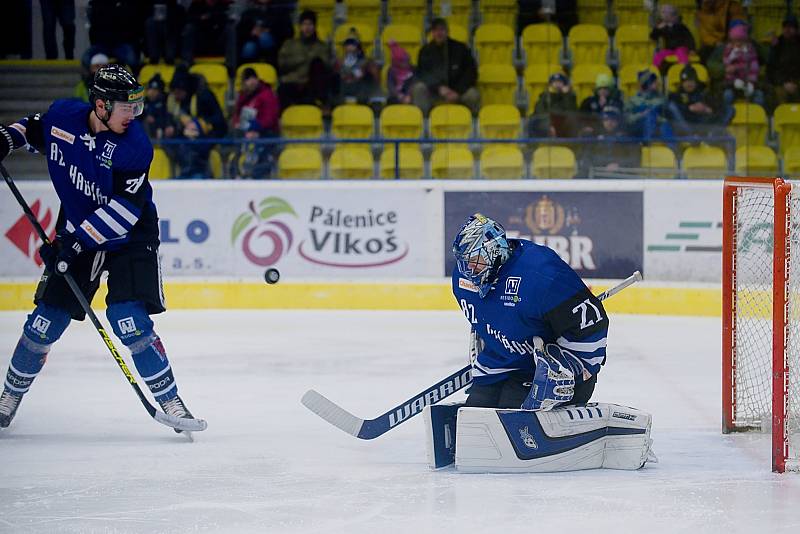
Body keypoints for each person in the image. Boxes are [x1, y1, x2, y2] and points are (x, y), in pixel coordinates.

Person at [0, 65, 203, 430]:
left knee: (130, 321)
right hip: (80, 231)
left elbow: (124, 213)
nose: (134, 115)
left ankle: (171, 401)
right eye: (127, 107)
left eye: (137, 106)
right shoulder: (64, 117)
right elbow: (32, 129)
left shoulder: (135, 147)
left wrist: (71, 244)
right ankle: (10, 395)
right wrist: (7, 139)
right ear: (100, 105)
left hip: (131, 237)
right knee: (44, 324)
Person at [451, 213, 608, 410]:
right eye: (464, 261)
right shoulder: (464, 281)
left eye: (475, 260)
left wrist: (568, 368)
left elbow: (593, 327)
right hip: (502, 366)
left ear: (495, 250)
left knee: (509, 417)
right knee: (474, 417)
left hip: (550, 375)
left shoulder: (542, 273)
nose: (468, 270)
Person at [167, 65, 227, 178]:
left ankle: (200, 174)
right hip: (185, 141)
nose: (176, 95)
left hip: (207, 138)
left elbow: (220, 121)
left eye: (179, 91)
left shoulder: (204, 96)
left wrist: (200, 125)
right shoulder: (175, 102)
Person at [411, 18, 480, 115]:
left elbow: (471, 72)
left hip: (458, 91)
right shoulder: (425, 51)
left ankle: (473, 124)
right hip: (435, 92)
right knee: (418, 88)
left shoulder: (461, 48)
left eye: (442, 29)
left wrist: (457, 91)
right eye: (436, 30)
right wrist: (439, 88)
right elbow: (423, 74)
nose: (439, 33)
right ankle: (424, 122)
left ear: (447, 31)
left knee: (473, 95)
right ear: (432, 33)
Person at [276, 9, 335, 110]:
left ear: (315, 26)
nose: (307, 28)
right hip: (292, 82)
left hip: (311, 86)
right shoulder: (289, 44)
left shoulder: (322, 47)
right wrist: (300, 60)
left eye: (310, 24)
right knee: (283, 90)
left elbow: (327, 66)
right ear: (300, 26)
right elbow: (281, 64)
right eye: (304, 24)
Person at [230, 67, 280, 178]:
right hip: (245, 134)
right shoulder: (243, 95)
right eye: (247, 80)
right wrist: (237, 123)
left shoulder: (267, 95)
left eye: (252, 79)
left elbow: (270, 120)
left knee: (260, 160)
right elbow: (237, 115)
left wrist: (255, 129)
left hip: (266, 135)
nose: (250, 83)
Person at [668, 64, 732, 136]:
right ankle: (693, 136)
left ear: (696, 81)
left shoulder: (703, 93)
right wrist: (689, 108)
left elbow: (717, 107)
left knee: (729, 109)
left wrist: (707, 109)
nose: (689, 84)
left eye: (691, 80)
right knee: (671, 106)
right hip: (688, 125)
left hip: (705, 124)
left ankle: (712, 134)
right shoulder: (676, 95)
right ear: (682, 83)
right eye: (686, 81)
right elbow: (673, 111)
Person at [237, 0, 295, 66]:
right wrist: (252, 32)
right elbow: (240, 32)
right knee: (249, 47)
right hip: (252, 41)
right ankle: (247, 71)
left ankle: (272, 67)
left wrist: (269, 31)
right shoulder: (248, 13)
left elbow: (289, 32)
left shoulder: (280, 11)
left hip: (274, 45)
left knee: (264, 37)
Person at [722, 19, 764, 108]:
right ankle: (726, 116)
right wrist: (733, 80)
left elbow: (754, 67)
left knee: (759, 96)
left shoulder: (750, 50)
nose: (738, 43)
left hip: (748, 83)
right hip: (733, 84)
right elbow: (726, 67)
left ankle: (756, 117)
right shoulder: (728, 50)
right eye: (735, 40)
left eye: (740, 40)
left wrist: (751, 82)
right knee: (727, 95)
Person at [334, 29, 380, 105]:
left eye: (353, 44)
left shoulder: (365, 62)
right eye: (348, 44)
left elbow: (363, 75)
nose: (350, 47)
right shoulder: (339, 61)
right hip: (343, 86)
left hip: (358, 87)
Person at [625, 69, 674, 142]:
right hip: (638, 129)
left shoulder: (661, 99)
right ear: (647, 84)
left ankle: (673, 147)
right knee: (649, 117)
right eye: (654, 82)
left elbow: (667, 117)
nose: (658, 84)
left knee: (664, 125)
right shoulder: (633, 101)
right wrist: (642, 114)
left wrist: (656, 118)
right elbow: (627, 119)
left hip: (658, 128)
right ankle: (647, 144)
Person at [528, 72, 577, 137]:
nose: (557, 84)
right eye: (554, 82)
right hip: (546, 124)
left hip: (564, 126)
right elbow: (539, 111)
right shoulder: (545, 96)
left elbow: (571, 111)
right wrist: (548, 94)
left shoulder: (570, 97)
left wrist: (566, 95)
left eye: (559, 82)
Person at [650, 3, 695, 71]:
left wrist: (692, 49)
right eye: (663, 13)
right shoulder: (663, 27)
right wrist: (657, 28)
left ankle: (685, 70)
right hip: (669, 49)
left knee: (681, 53)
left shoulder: (681, 27)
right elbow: (653, 37)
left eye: (668, 14)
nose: (665, 16)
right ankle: (654, 70)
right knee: (659, 55)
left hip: (681, 47)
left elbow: (689, 38)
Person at [767, 15, 800, 108]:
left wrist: (795, 83)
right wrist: (784, 83)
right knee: (781, 94)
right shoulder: (777, 45)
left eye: (791, 27)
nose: (787, 29)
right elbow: (771, 70)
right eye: (785, 27)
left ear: (797, 29)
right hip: (780, 82)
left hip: (797, 82)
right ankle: (783, 120)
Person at [144, 0, 186, 65]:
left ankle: (169, 56)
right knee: (150, 23)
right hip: (154, 17)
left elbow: (177, 8)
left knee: (171, 25)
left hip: (171, 16)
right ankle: (154, 56)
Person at [386, 40, 415, 105]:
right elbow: (390, 86)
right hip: (396, 96)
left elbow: (414, 83)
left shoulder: (413, 69)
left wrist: (408, 95)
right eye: (402, 61)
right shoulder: (391, 71)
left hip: (410, 95)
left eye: (407, 60)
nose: (405, 63)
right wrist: (399, 95)